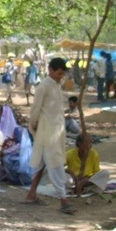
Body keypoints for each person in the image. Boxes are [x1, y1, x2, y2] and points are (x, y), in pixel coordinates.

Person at [24, 57, 76, 214]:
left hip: (56, 130)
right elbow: (35, 109)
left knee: (43, 164)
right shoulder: (43, 86)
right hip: (47, 131)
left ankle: (31, 194)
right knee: (55, 163)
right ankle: (63, 200)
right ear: (50, 70)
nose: (61, 76)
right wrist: (34, 124)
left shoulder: (57, 85)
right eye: (59, 73)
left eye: (62, 74)